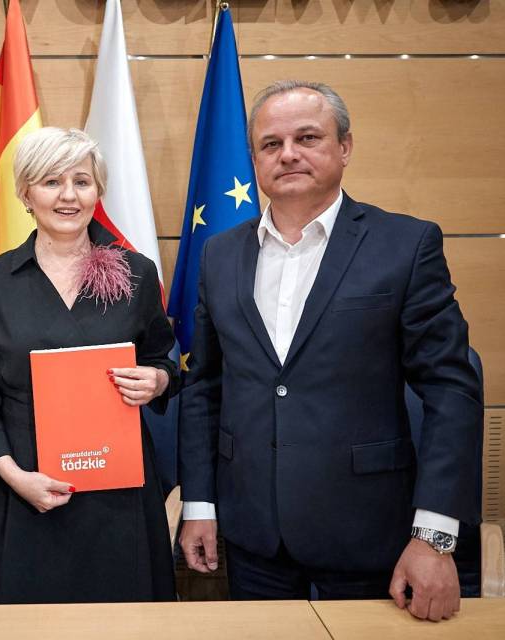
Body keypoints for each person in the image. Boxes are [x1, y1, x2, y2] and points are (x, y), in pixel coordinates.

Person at [178, 81, 482, 621]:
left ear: (344, 147)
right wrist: (199, 503)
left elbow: (451, 390)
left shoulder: (405, 245)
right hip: (254, 535)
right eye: (271, 144)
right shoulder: (219, 255)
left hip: (371, 532)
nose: (288, 154)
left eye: (307, 138)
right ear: (255, 160)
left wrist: (434, 537)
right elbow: (205, 385)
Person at [0, 127, 178, 604]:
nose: (69, 196)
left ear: (98, 191)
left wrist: (157, 380)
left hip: (117, 490)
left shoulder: (136, 272)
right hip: (21, 486)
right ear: (25, 193)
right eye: (52, 182)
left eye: (82, 181)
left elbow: (163, 359)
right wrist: (16, 477)